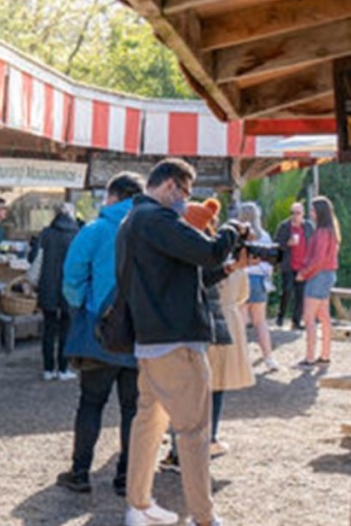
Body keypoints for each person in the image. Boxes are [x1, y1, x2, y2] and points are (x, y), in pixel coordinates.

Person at [117, 158, 247, 526]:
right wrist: (233, 231)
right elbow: (208, 250)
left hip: (151, 341)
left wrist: (226, 268)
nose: (185, 201)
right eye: (185, 192)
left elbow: (187, 277)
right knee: (194, 433)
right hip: (177, 342)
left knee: (149, 425)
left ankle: (138, 505)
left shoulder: (133, 221)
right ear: (171, 186)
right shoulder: (157, 220)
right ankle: (203, 517)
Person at [55, 172, 144, 498]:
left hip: (98, 332)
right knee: (132, 409)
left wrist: (83, 307)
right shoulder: (149, 231)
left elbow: (72, 275)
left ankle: (80, 473)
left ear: (113, 196)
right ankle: (126, 478)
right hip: (139, 334)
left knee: (91, 403)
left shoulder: (95, 230)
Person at [162, 201, 256, 471]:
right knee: (215, 388)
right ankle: (207, 439)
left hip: (199, 330)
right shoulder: (223, 256)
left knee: (188, 392)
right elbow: (242, 295)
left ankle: (181, 448)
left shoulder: (189, 255)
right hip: (226, 326)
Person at [37, 203, 81, 381]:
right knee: (66, 329)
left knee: (48, 329)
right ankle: (63, 369)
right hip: (69, 288)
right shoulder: (76, 234)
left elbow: (33, 258)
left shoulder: (46, 233)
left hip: (47, 286)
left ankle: (48, 369)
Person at [298, 196, 341, 368]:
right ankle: (325, 354)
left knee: (309, 318)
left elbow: (318, 259)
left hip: (319, 275)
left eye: (313, 210)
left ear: (319, 212)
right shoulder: (331, 231)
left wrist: (304, 273)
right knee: (324, 316)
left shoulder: (322, 232)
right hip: (328, 274)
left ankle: (309, 357)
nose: (311, 213)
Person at [237, 202, 279, 370]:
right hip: (259, 280)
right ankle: (268, 358)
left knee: (241, 322)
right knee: (260, 321)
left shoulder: (237, 236)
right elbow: (270, 262)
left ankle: (241, 360)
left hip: (242, 279)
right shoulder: (264, 236)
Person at [273, 202, 314, 329]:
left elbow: (313, 243)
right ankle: (280, 317)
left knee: (300, 294)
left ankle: (296, 321)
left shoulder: (308, 227)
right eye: (292, 213)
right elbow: (276, 245)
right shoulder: (284, 227)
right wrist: (287, 244)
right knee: (287, 291)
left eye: (298, 213)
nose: (295, 216)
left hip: (303, 266)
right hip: (288, 265)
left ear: (303, 214)